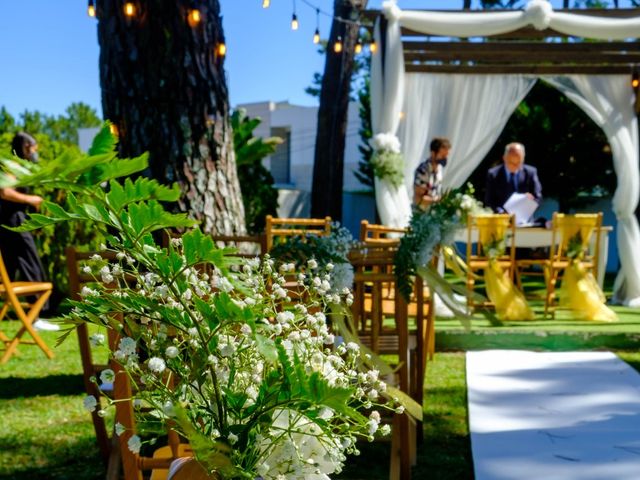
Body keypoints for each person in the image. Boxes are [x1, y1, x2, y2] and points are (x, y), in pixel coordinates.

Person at [0, 133, 57, 330]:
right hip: (14, 221)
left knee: (8, 268)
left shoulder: (17, 166)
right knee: (30, 263)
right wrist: (31, 200)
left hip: (10, 222)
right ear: (25, 146)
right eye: (34, 148)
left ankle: (33, 316)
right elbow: (4, 191)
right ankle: (36, 317)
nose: (35, 152)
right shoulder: (10, 165)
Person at [484, 142, 542, 214]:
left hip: (525, 219)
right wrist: (501, 212)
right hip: (501, 219)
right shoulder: (493, 174)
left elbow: (538, 197)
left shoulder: (530, 172)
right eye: (511, 163)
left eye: (519, 162)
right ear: (504, 158)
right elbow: (489, 200)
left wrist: (530, 202)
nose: (515, 166)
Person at [414, 137, 451, 209]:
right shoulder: (423, 170)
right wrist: (438, 200)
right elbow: (419, 199)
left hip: (433, 213)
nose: (445, 159)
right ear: (433, 153)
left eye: (446, 156)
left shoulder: (439, 169)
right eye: (443, 156)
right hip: (420, 214)